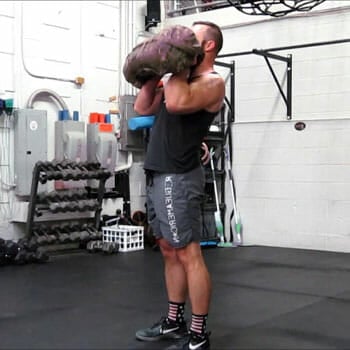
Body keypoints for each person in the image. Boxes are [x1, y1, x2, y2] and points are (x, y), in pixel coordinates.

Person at [133, 21, 225, 350]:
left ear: (209, 46)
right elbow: (144, 107)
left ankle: (198, 333)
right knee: (169, 250)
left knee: (188, 252)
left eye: (192, 35)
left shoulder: (212, 82)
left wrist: (175, 66)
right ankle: (174, 321)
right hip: (158, 171)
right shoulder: (177, 78)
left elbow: (174, 103)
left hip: (179, 176)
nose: (184, 38)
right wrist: (149, 77)